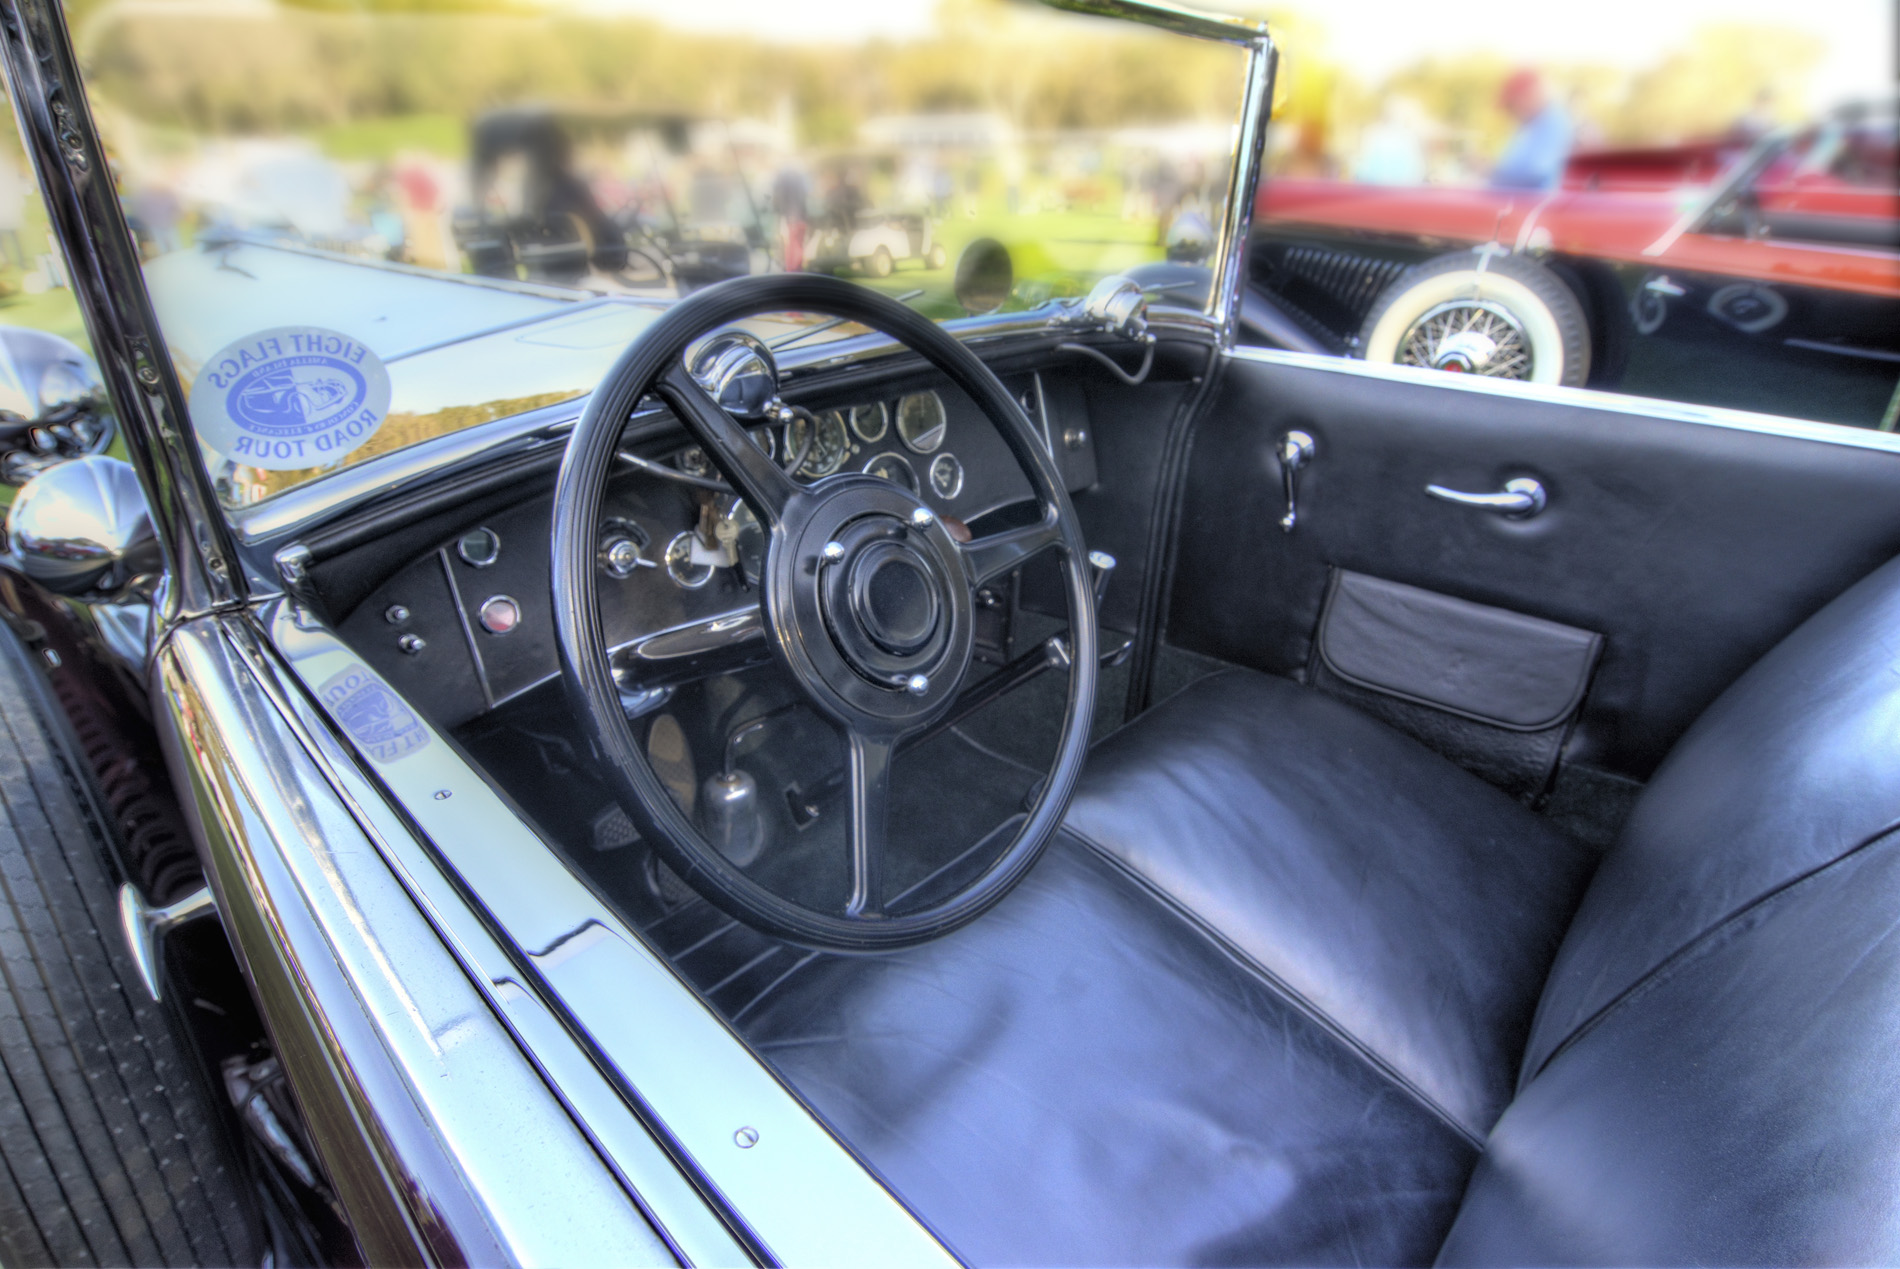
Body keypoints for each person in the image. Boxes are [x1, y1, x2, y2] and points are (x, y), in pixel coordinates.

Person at [1490, 69, 1572, 191]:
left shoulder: (1554, 124)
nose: (1510, 113)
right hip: (1515, 203)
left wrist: (1491, 171)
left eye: (1511, 105)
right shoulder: (1529, 126)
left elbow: (1536, 174)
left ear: (1530, 95)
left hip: (1534, 206)